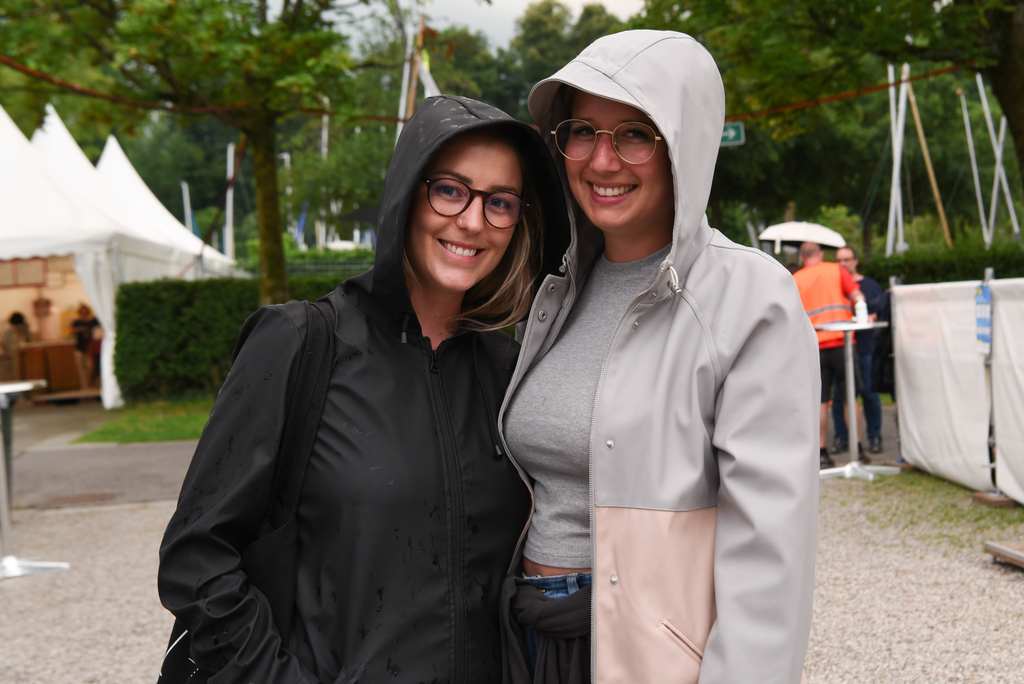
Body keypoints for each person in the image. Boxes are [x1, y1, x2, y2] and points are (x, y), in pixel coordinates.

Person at [158, 96, 570, 684]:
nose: (474, 221)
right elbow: (197, 557)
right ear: (407, 192)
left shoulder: (508, 369)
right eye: (451, 190)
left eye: (500, 202)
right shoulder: (300, 342)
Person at [498, 31, 819, 684]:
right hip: (528, 639)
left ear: (686, 143)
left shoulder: (747, 297)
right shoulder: (557, 289)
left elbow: (770, 557)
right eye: (583, 130)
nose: (602, 160)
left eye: (635, 134)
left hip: (644, 656)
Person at [792, 241, 866, 469]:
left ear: (802, 258)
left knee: (820, 401)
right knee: (850, 397)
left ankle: (821, 452)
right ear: (821, 254)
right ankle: (858, 448)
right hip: (842, 342)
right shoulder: (837, 270)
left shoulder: (796, 279)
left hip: (814, 346)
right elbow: (858, 297)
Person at [831, 246, 884, 454]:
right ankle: (842, 437)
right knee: (840, 397)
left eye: (847, 260)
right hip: (840, 348)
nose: (843, 264)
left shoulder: (869, 285)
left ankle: (874, 436)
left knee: (869, 393)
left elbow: (881, 309)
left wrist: (873, 316)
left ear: (856, 261)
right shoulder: (833, 284)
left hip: (865, 347)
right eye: (839, 260)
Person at [70, 304, 99, 389]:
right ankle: (85, 385)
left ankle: (93, 383)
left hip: (91, 346)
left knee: (91, 366)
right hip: (79, 346)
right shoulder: (77, 322)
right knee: (81, 367)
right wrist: (80, 329)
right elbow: (71, 330)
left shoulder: (93, 321)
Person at [0, 312, 31, 381]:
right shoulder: (7, 329)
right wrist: (6, 352)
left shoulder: (17, 329)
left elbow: (22, 340)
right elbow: (2, 341)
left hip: (12, 353)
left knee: (14, 372)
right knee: (3, 372)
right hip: (5, 355)